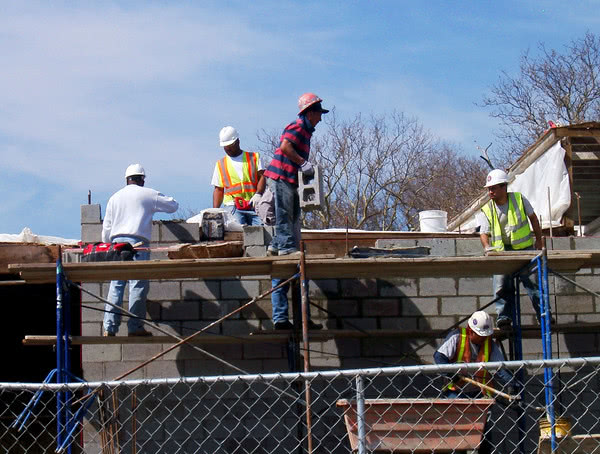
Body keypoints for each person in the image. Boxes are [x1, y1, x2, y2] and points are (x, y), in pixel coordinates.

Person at [264, 93, 328, 329]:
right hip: (282, 177)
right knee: (284, 216)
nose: (320, 119)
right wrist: (302, 162)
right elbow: (284, 147)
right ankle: (282, 248)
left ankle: (281, 246)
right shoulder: (298, 126)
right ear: (310, 111)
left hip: (290, 180)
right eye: (319, 114)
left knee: (290, 218)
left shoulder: (306, 131)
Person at [102, 164, 179, 336]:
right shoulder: (148, 194)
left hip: (117, 244)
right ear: (142, 179)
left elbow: (106, 231)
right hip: (138, 244)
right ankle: (135, 328)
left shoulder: (115, 197)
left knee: (116, 285)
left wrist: (110, 243)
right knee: (137, 285)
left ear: (126, 179)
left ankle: (109, 328)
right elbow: (173, 205)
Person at [434, 311, 515, 454]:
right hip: (456, 393)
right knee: (458, 436)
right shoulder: (457, 337)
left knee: (484, 435)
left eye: (486, 336)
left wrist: (512, 384)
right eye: (481, 335)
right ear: (471, 331)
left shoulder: (489, 343)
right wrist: (451, 374)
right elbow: (439, 357)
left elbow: (500, 368)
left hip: (479, 394)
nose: (484, 339)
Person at [477, 169, 544, 329]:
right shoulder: (487, 209)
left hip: (524, 248)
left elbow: (533, 219)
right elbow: (483, 233)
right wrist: (487, 248)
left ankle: (544, 315)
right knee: (501, 284)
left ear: (503, 187)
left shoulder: (519, 199)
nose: (490, 192)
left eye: (493, 188)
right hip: (501, 252)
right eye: (489, 189)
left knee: (533, 284)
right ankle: (504, 317)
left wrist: (539, 241)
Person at [211, 126, 266, 226]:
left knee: (263, 231)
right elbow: (218, 189)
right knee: (238, 231)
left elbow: (263, 176)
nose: (227, 148)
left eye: (230, 145)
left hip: (253, 204)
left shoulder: (254, 157)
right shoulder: (220, 164)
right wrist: (215, 211)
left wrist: (258, 194)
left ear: (237, 142)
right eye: (225, 146)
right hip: (233, 207)